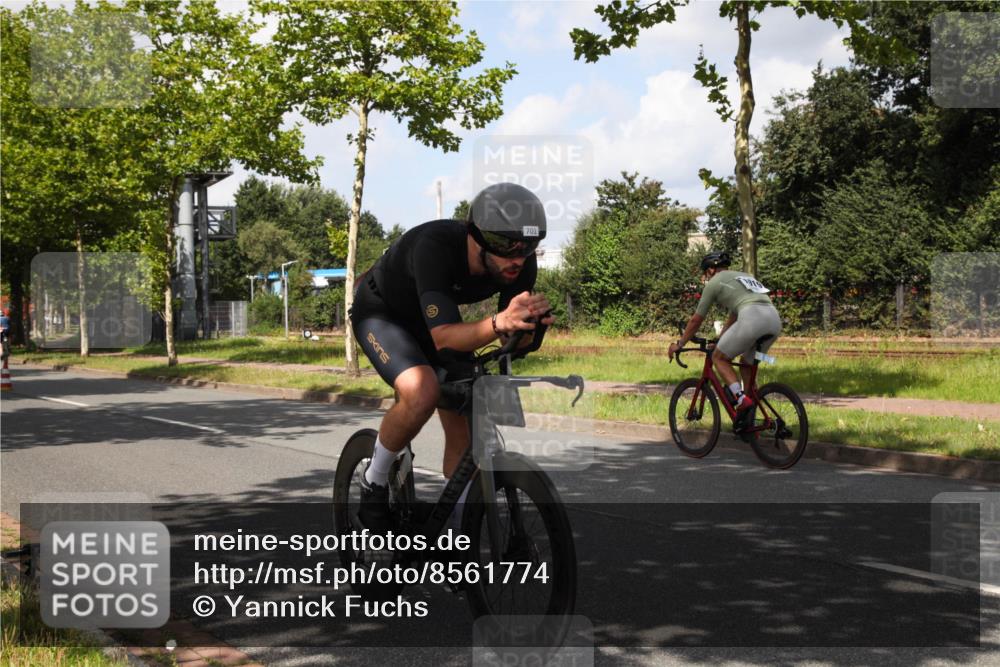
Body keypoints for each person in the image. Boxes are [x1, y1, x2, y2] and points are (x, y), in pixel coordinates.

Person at [349, 182, 554, 531]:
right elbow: (445, 336)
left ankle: (454, 529)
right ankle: (375, 479)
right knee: (422, 390)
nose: (517, 258)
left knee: (468, 405)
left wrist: (527, 331)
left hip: (436, 320)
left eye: (528, 246)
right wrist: (497, 322)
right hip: (383, 314)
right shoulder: (435, 246)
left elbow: (507, 337)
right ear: (476, 236)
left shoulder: (520, 265)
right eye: (506, 245)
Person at [668, 251, 782, 426]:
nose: (706, 277)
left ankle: (741, 399)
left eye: (706, 273)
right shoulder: (744, 276)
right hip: (774, 320)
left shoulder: (714, 282)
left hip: (752, 318)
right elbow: (733, 317)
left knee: (718, 358)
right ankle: (750, 415)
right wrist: (720, 340)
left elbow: (696, 319)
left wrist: (680, 343)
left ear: (711, 270)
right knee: (746, 364)